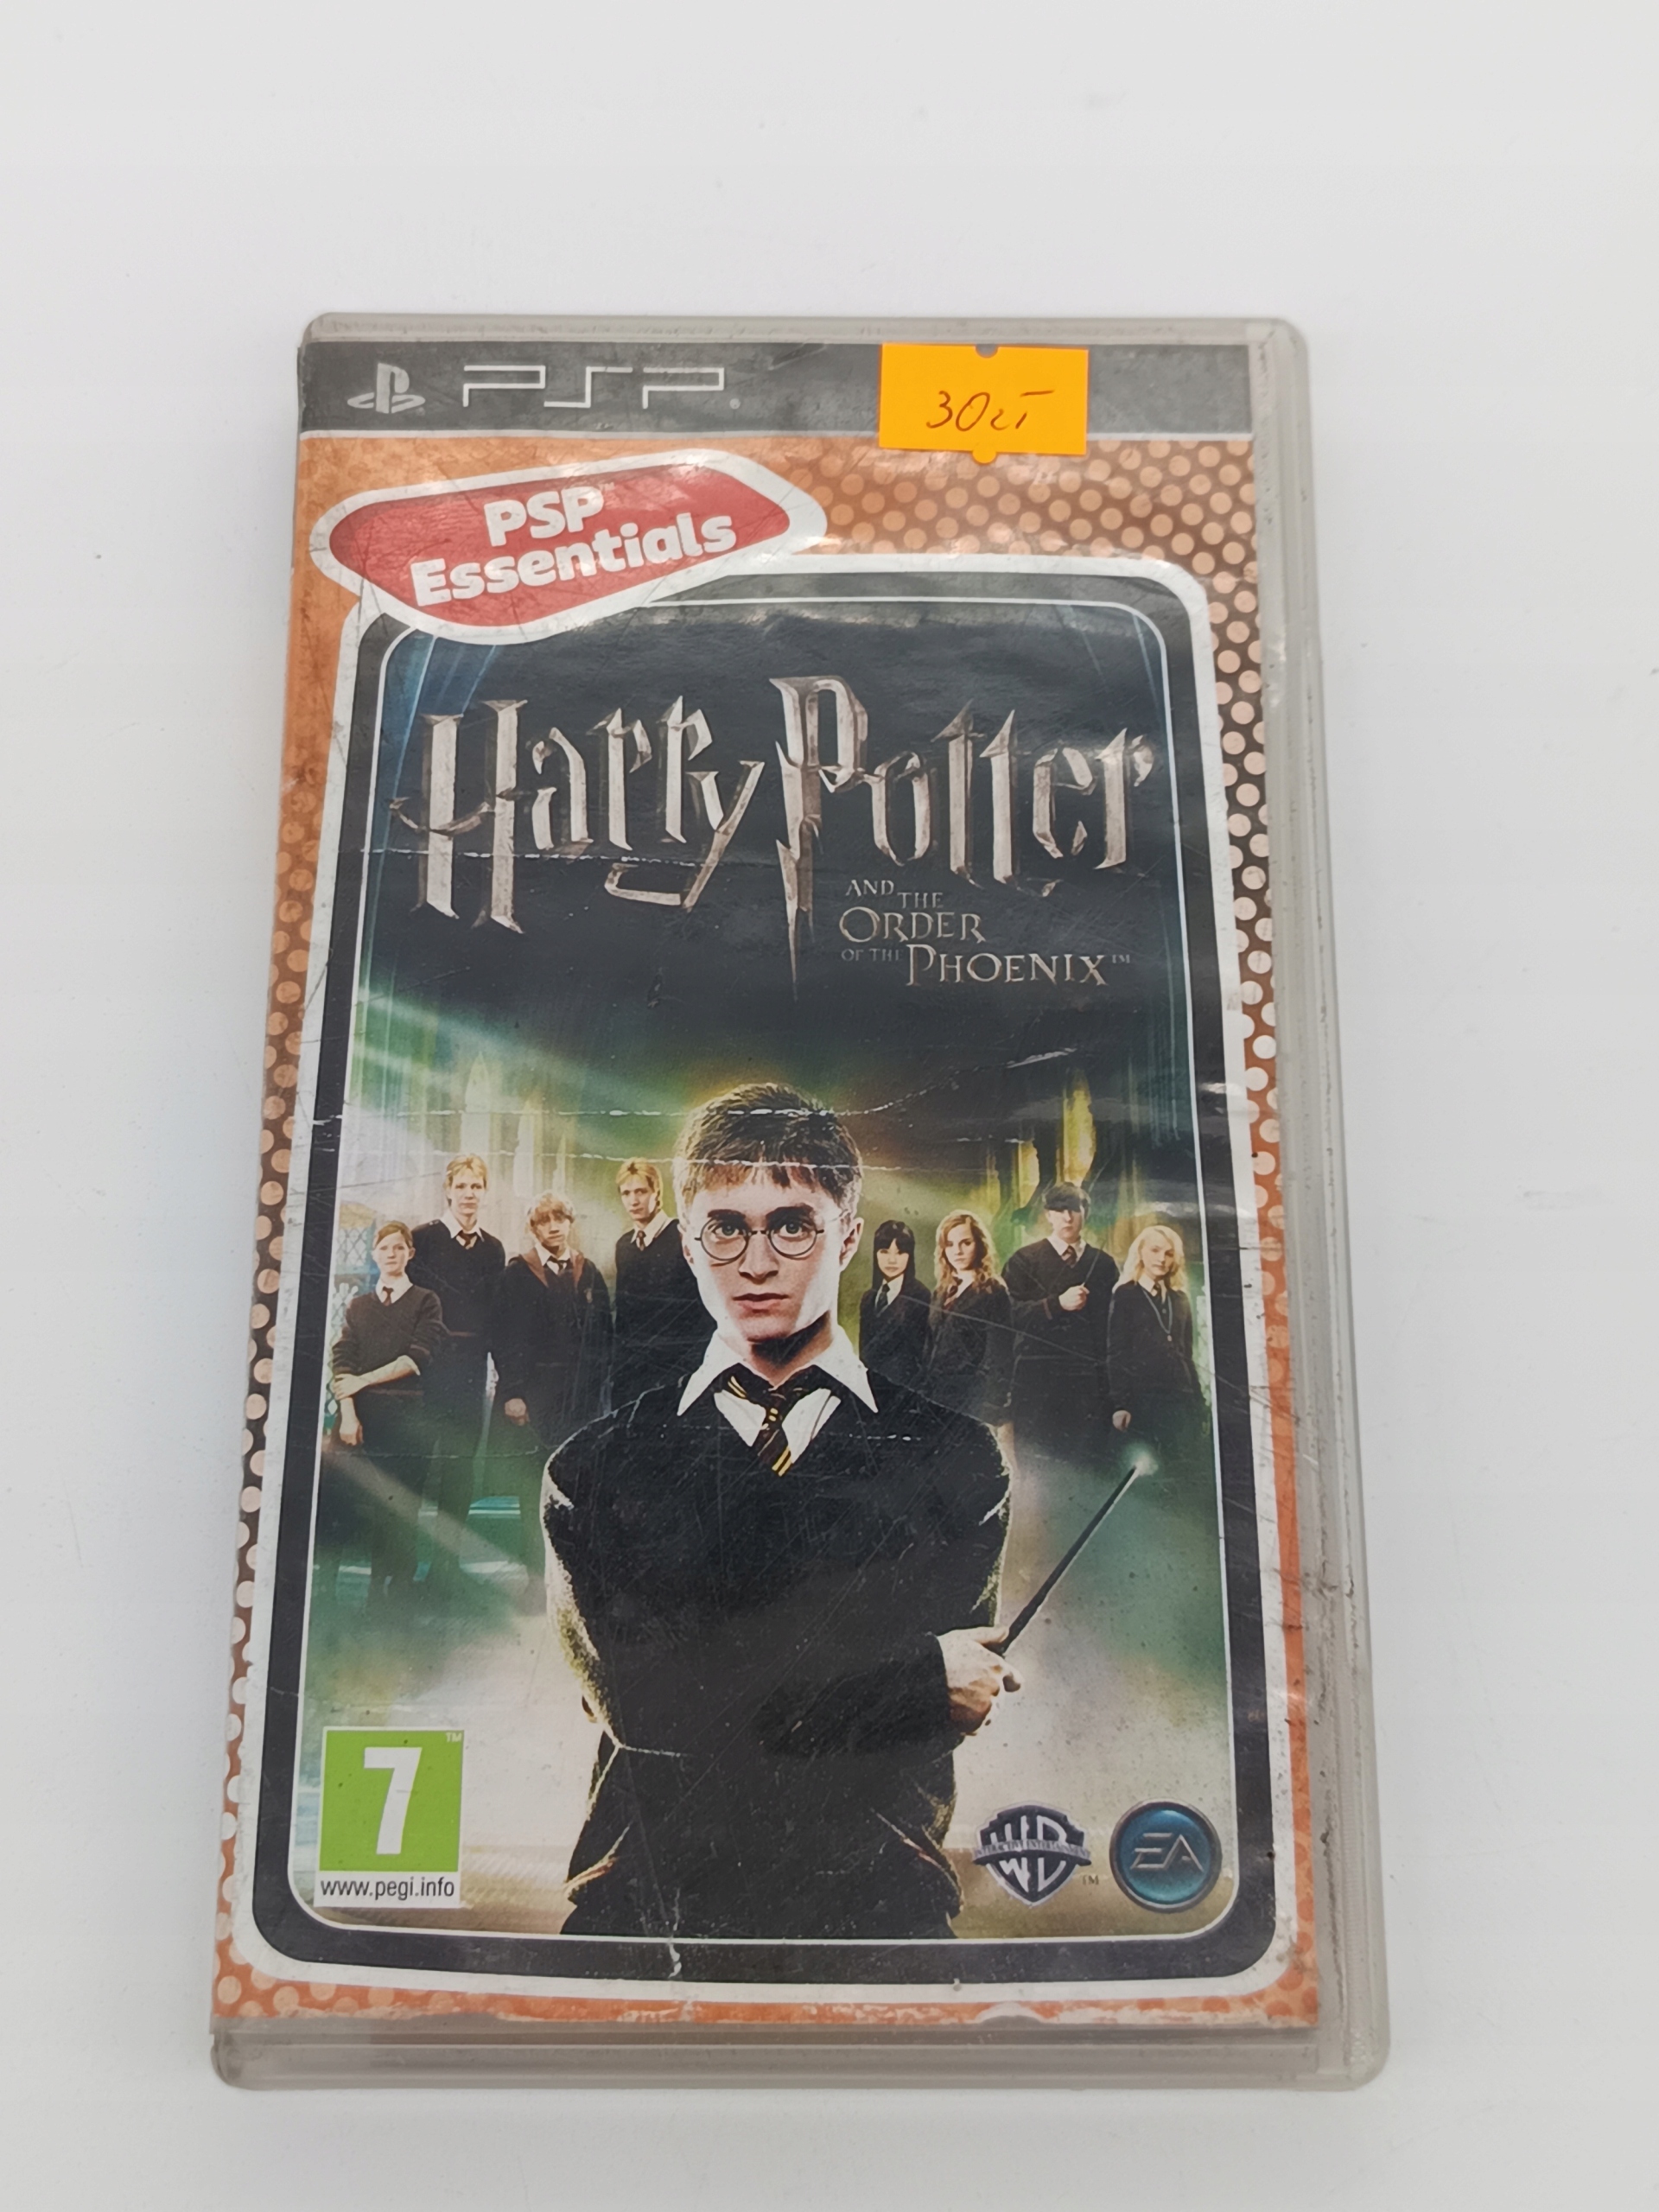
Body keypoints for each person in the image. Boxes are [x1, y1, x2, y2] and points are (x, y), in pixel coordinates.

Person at [543, 1083, 1014, 1944]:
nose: (756, 1261)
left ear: (848, 1235)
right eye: (726, 1227)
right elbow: (650, 1704)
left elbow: (699, 1696)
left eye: (792, 1224)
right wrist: (913, 1683)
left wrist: (713, 1658)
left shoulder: (959, 1461)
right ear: (689, 1244)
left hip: (878, 1900)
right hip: (649, 1900)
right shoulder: (591, 1469)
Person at [491, 1195, 613, 1587]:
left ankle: (571, 1581)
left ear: (570, 1222)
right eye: (544, 1221)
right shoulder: (517, 1274)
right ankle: (535, 1577)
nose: (554, 1227)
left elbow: (603, 1337)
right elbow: (504, 1337)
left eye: (560, 1218)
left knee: (577, 1487)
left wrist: (596, 1395)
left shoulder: (587, 1272)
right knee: (534, 1489)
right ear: (534, 1228)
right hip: (534, 1398)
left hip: (580, 1401)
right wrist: (513, 1393)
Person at [327, 1222, 442, 1609]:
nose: (392, 1254)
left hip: (404, 1420)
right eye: (385, 1248)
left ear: (410, 1253)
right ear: (374, 1255)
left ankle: (388, 1594)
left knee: (399, 1507)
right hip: (358, 1419)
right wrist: (348, 1414)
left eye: (399, 1248)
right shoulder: (358, 1306)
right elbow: (342, 1360)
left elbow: (415, 1358)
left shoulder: (425, 1301)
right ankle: (328, 1590)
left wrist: (362, 1381)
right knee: (339, 1499)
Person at [409, 1156, 506, 1584]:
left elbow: (496, 1313)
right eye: (462, 1186)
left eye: (476, 1186)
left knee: (460, 1469)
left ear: (485, 1192)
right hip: (427, 1369)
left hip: (469, 1370)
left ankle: (447, 1568)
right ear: (448, 1190)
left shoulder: (493, 1249)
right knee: (417, 1464)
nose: (469, 1194)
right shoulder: (423, 1239)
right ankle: (403, 1568)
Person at [1003, 1181, 1119, 1468]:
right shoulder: (1024, 1261)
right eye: (1059, 1210)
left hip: (1089, 1390)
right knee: (1041, 1470)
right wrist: (1056, 1304)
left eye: (1074, 1210)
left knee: (1088, 1469)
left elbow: (1114, 1330)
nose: (1067, 1218)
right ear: (1048, 1215)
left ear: (1085, 1213)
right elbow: (1007, 1316)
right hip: (1037, 1388)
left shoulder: (1103, 1264)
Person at [610, 1156, 709, 1408]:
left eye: (641, 1191)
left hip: (678, 1370)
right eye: (626, 1193)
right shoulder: (624, 1246)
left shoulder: (683, 1237)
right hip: (635, 1375)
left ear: (656, 1192)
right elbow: (624, 1316)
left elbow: (702, 1311)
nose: (633, 1201)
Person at [1108, 1224, 1207, 1466]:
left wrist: (1199, 1405)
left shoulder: (1180, 1299)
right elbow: (1117, 1353)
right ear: (1141, 1252)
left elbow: (1187, 1355)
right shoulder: (1125, 1295)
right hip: (1143, 1401)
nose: (1162, 1259)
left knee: (1182, 1468)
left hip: (1180, 1402)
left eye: (1169, 1253)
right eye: (1155, 1250)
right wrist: (1121, 1404)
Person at [925, 1211, 1015, 1437]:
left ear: (979, 1245)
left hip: (974, 1402)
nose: (957, 1251)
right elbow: (931, 1347)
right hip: (937, 1399)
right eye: (950, 1244)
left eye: (966, 1243)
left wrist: (990, 1408)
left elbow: (1000, 1356)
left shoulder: (993, 1291)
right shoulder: (941, 1291)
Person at [856, 1219, 931, 1391]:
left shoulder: (920, 1296)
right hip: (870, 1391)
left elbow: (923, 1357)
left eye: (900, 1252)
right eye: (884, 1251)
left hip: (904, 1392)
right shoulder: (869, 1298)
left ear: (910, 1255)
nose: (892, 1260)